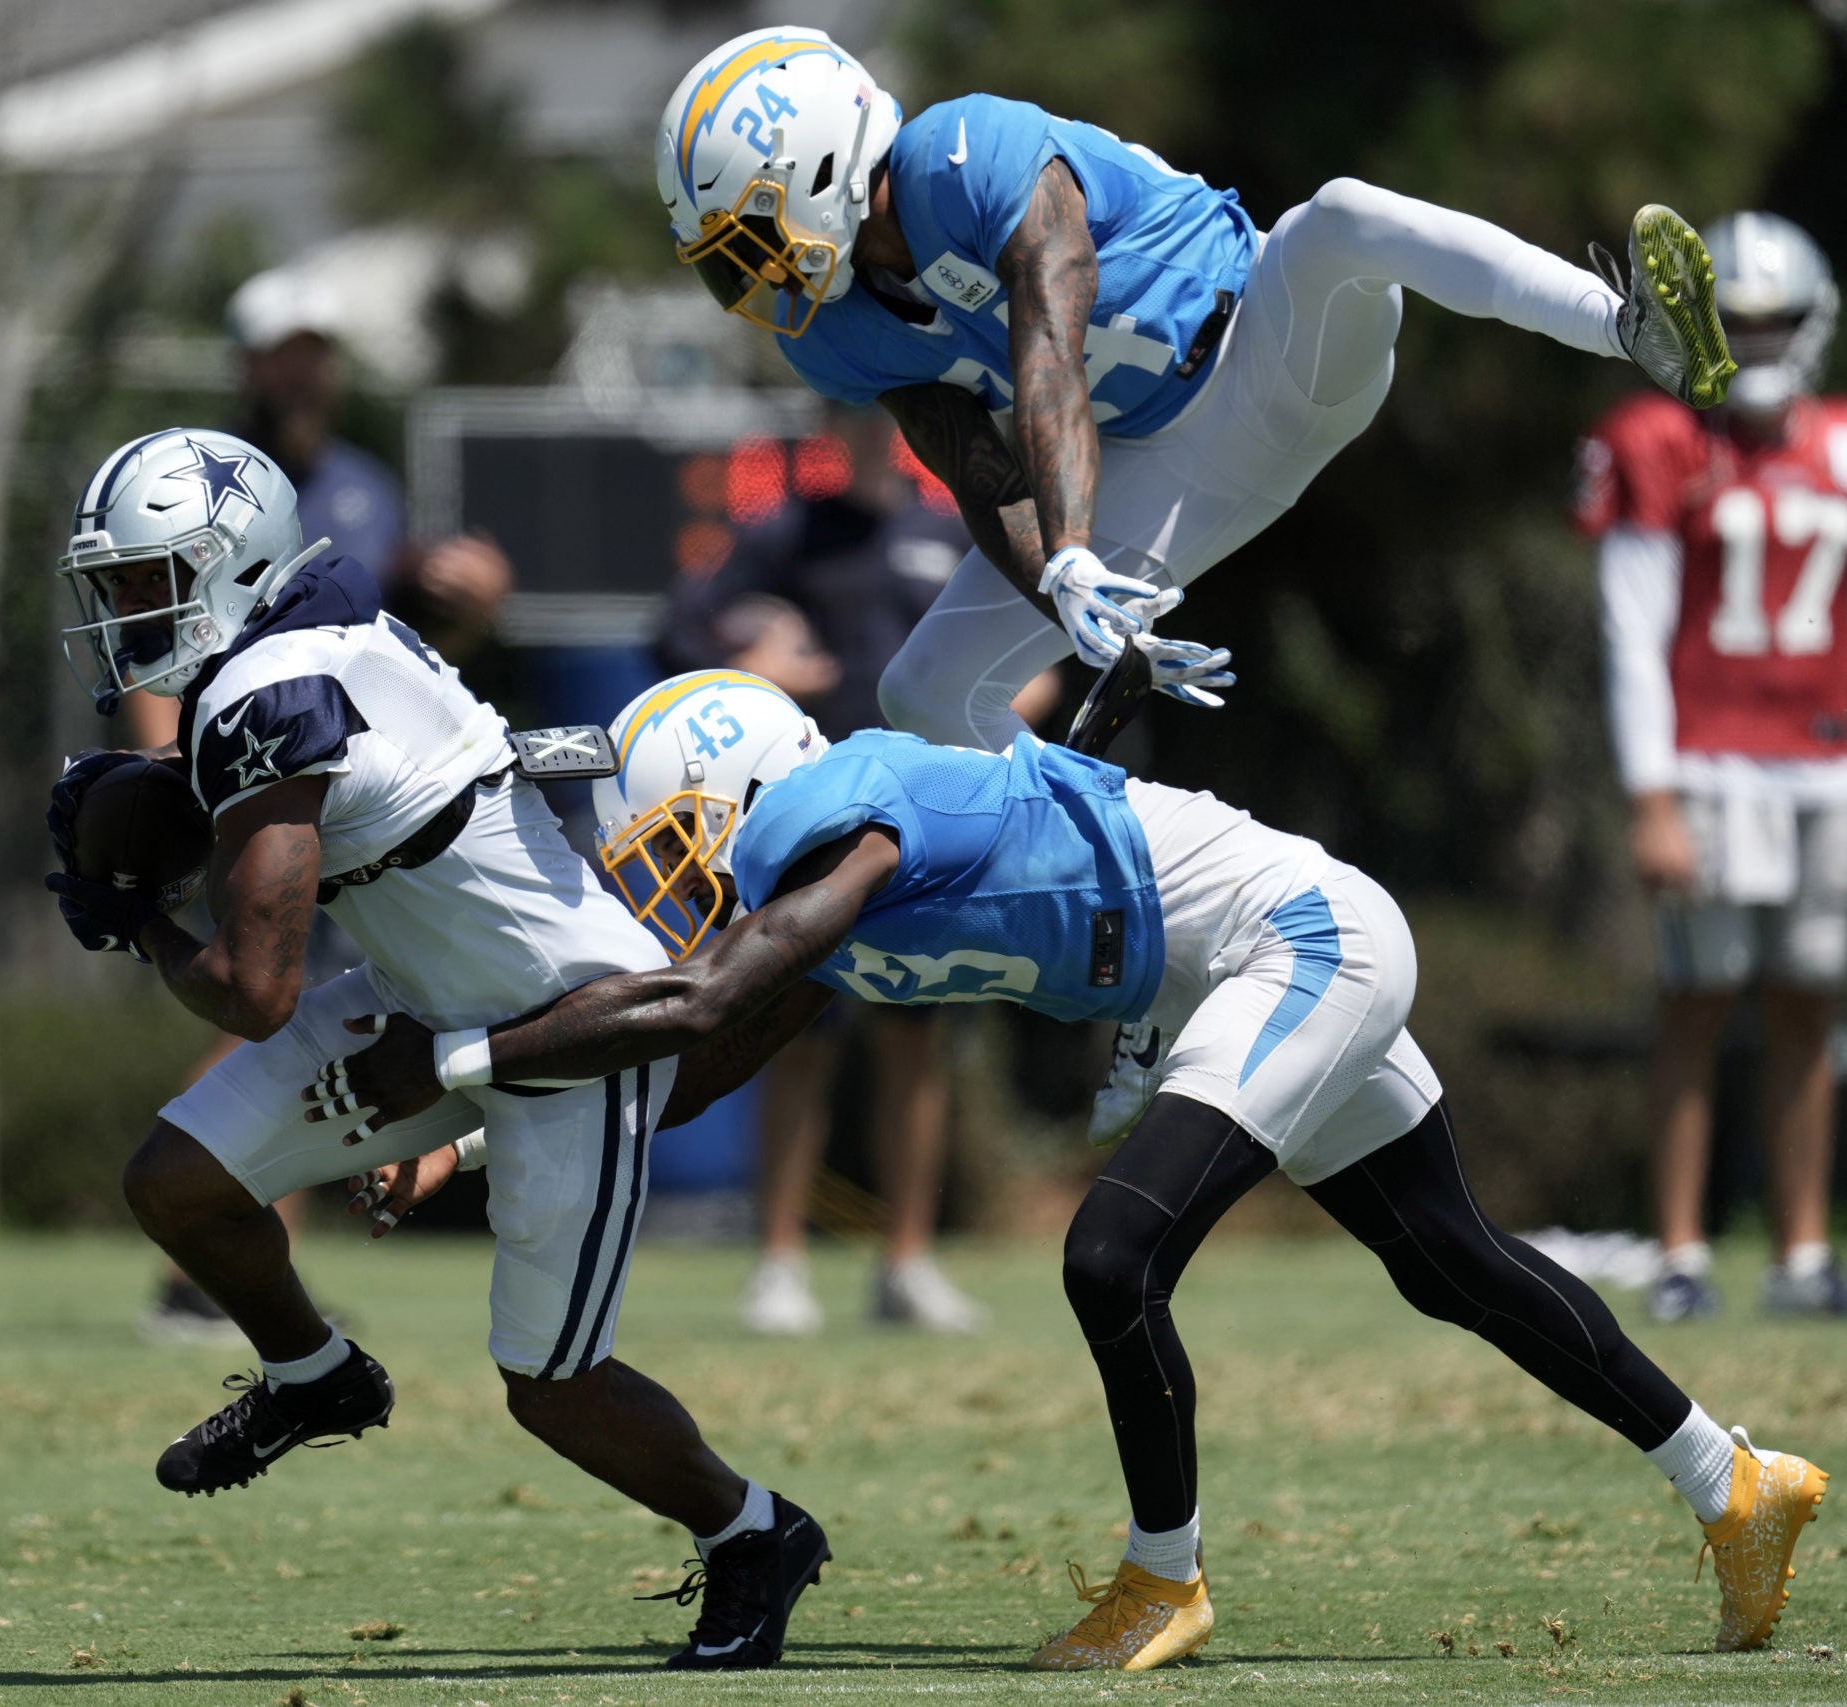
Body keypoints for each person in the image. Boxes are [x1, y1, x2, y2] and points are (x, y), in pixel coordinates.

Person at [312, 670, 1829, 1670]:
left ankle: (1163, 1576)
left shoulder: (839, 812)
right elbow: (703, 1054)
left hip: (1293, 937)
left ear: (740, 790)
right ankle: (1736, 1477)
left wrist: (450, 1067)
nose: (649, 874)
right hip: (1237, 967)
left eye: (661, 837)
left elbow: (701, 1002)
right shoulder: (817, 876)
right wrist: (473, 1138)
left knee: (1111, 1253)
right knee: (1450, 1256)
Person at [657, 24, 1738, 1136]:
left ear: (825, 164)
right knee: (922, 693)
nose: (749, 273)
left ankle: (1626, 328)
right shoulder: (836, 333)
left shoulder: (958, 154)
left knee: (1341, 218)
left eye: (752, 233)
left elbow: (1050, 338)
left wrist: (1073, 545)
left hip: (1269, 343)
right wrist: (1063, 594)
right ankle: (1144, 940)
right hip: (1168, 470)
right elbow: (977, 469)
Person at [43, 430, 828, 1670]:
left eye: (153, 578)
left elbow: (252, 988)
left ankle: (752, 1531)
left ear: (235, 563)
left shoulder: (272, 689)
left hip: (570, 1023)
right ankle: (315, 1377)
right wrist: (150, 800)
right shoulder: (293, 649)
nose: (132, 610)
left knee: (550, 1384)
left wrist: (133, 913)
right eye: (121, 584)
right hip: (419, 995)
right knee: (177, 1181)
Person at [120, 270, 517, 1341]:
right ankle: (202, 1245)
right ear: (247, 363)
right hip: (250, 783)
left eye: (316, 349)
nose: (300, 370)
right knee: (268, 1003)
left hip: (357, 806)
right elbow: (150, 636)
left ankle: (226, 1249)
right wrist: (167, 784)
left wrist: (467, 609)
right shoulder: (197, 482)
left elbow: (389, 662)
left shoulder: (366, 488)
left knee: (292, 1009)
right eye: (280, 350)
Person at [1575, 210, 1847, 1322]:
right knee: (1696, 1000)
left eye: (1774, 323)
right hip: (1709, 763)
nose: (1756, 342)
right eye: (1733, 322)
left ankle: (1798, 1252)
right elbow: (1629, 632)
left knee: (1808, 1007)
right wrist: (1651, 795)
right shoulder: (1657, 439)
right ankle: (1682, 1249)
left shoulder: (1837, 443)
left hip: (1825, 767)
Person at [660, 409, 987, 1335]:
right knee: (794, 1037)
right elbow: (675, 633)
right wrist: (752, 667)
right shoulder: (787, 532)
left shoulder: (947, 531)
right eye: (860, 405)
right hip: (810, 821)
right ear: (833, 420)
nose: (879, 423)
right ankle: (779, 1264)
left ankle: (908, 1263)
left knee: (916, 1043)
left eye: (896, 406)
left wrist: (1024, 689)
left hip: (925, 821)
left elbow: (1012, 647)